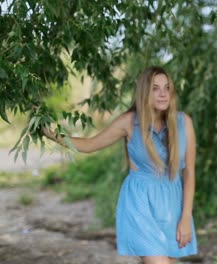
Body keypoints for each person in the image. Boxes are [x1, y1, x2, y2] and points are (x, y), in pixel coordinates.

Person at [43, 66, 198, 264]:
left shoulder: (183, 122)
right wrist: (51, 134)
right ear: (144, 92)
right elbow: (90, 145)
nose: (163, 94)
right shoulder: (129, 122)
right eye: (155, 88)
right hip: (141, 201)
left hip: (172, 204)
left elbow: (190, 172)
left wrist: (186, 217)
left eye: (167, 88)